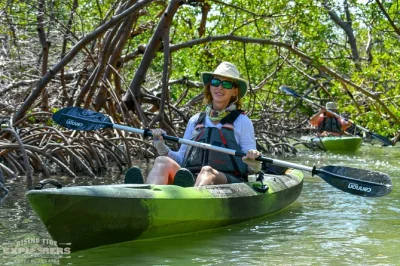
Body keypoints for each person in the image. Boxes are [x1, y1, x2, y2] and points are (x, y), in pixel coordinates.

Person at [125, 61, 262, 187]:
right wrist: (160, 145)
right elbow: (182, 159)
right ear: (210, 86)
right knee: (162, 161)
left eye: (226, 84)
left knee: (207, 171)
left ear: (234, 91)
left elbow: (252, 169)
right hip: (194, 178)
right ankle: (146, 196)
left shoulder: (242, 121)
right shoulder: (196, 121)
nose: (219, 87)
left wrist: (253, 160)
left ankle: (190, 200)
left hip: (229, 180)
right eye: (215, 82)